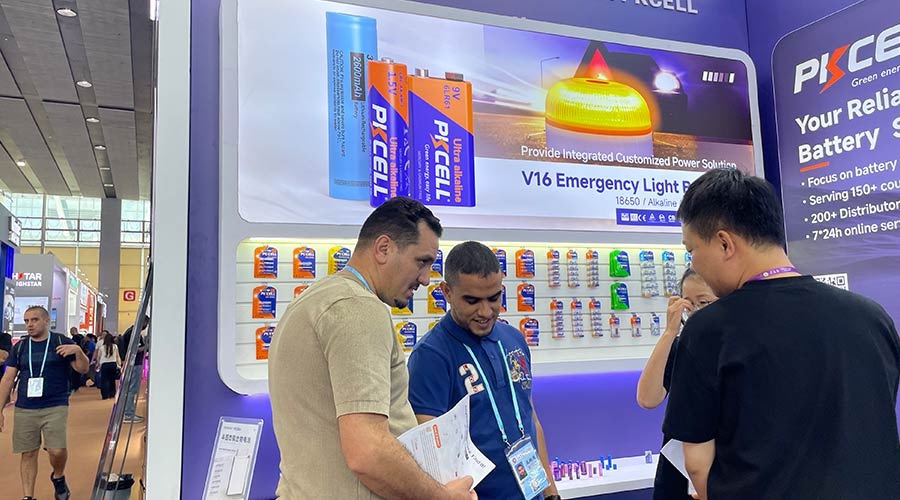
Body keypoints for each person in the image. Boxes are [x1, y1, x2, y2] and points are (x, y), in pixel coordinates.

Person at [663, 168, 900, 499]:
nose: (693, 264)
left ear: (724, 243)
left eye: (691, 250)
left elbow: (698, 465)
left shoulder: (709, 330)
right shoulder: (872, 317)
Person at [268, 196, 475, 499]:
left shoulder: (313, 301)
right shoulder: (358, 308)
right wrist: (442, 497)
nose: (425, 279)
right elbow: (368, 452)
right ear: (383, 248)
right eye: (421, 261)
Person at [408, 241, 560, 500]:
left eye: (494, 298)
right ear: (446, 292)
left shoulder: (514, 339)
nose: (485, 311)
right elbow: (431, 454)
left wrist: (551, 494)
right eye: (472, 300)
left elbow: (531, 420)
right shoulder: (430, 356)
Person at [636, 268, 717, 499]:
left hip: (719, 467)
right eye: (688, 303)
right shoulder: (682, 345)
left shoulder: (736, 348)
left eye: (704, 302)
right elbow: (647, 398)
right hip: (677, 470)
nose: (695, 310)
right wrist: (669, 332)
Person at [0, 305, 90, 500]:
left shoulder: (60, 342)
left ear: (47, 321)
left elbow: (83, 369)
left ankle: (58, 476)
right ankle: (28, 496)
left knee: (57, 451)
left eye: (34, 320)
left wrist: (78, 351)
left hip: (55, 405)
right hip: (25, 407)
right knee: (28, 453)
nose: (29, 325)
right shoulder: (20, 347)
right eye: (26, 321)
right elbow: (7, 379)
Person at [119, 318, 148, 423]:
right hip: (134, 363)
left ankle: (128, 412)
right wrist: (147, 346)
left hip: (132, 363)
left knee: (130, 389)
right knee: (131, 389)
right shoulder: (134, 333)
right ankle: (128, 413)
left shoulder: (131, 331)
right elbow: (136, 349)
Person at [95, 334, 121, 400]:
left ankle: (105, 395)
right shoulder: (115, 346)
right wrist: (119, 365)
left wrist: (98, 364)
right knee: (112, 379)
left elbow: (98, 357)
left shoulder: (101, 347)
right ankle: (112, 394)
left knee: (104, 380)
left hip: (104, 364)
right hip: (113, 364)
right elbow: (117, 356)